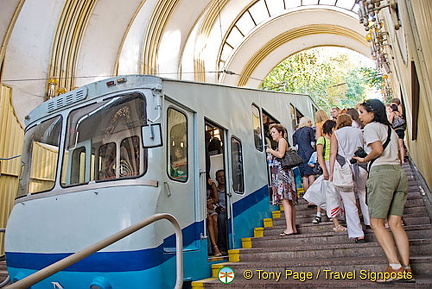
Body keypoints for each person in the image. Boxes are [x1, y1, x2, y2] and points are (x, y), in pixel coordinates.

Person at [353, 99, 413, 282]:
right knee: (395, 224)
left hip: (382, 174)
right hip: (398, 175)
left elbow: (377, 150)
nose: (360, 116)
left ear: (372, 113)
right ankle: (406, 268)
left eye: (362, 112)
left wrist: (363, 160)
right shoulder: (391, 131)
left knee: (377, 223)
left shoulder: (371, 127)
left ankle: (395, 267)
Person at [329, 114, 369, 243]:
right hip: (361, 166)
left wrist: (331, 173)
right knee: (364, 195)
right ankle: (369, 221)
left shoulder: (336, 134)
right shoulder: (359, 132)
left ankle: (358, 233)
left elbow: (332, 154)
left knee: (349, 202)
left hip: (344, 170)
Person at [266, 123, 298, 236]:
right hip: (284, 174)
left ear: (280, 133)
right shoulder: (282, 142)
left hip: (282, 175)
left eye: (274, 132)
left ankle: (289, 228)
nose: (272, 135)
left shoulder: (282, 141)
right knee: (288, 201)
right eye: (271, 133)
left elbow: (280, 154)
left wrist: (270, 151)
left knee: (285, 200)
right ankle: (292, 227)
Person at [293, 117, 316, 194]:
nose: (311, 124)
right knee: (311, 175)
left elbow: (296, 147)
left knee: (304, 177)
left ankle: (307, 196)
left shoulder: (296, 133)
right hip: (310, 154)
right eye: (310, 122)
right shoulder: (310, 130)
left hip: (300, 156)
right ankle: (312, 196)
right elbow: (313, 144)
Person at [206, 178, 222, 256]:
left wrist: (210, 201)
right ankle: (215, 247)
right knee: (209, 219)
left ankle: (215, 245)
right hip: (203, 208)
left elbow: (216, 198)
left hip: (212, 207)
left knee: (215, 219)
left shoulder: (212, 184)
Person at [215, 169, 228, 254]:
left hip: (230, 211)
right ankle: (222, 247)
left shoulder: (230, 190)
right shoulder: (215, 191)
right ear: (216, 179)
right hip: (220, 212)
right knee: (221, 218)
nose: (222, 178)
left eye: (223, 176)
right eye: (219, 177)